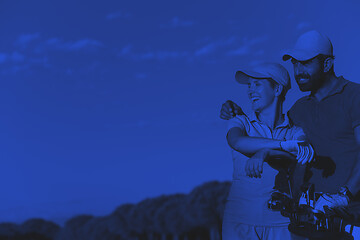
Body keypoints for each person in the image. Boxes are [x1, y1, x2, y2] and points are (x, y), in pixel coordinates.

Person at [220, 30, 360, 239]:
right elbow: (278, 138)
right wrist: (237, 113)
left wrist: (344, 195)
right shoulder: (298, 110)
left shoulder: (354, 95)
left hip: (348, 220)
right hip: (304, 226)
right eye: (295, 63)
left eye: (305, 63)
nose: (298, 71)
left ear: (327, 65)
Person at [222, 62, 314, 240]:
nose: (250, 91)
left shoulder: (297, 132)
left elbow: (294, 158)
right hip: (239, 224)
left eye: (257, 84)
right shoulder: (240, 122)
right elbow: (238, 141)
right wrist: (283, 144)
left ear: (277, 89)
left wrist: (265, 153)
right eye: (249, 86)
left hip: (282, 225)